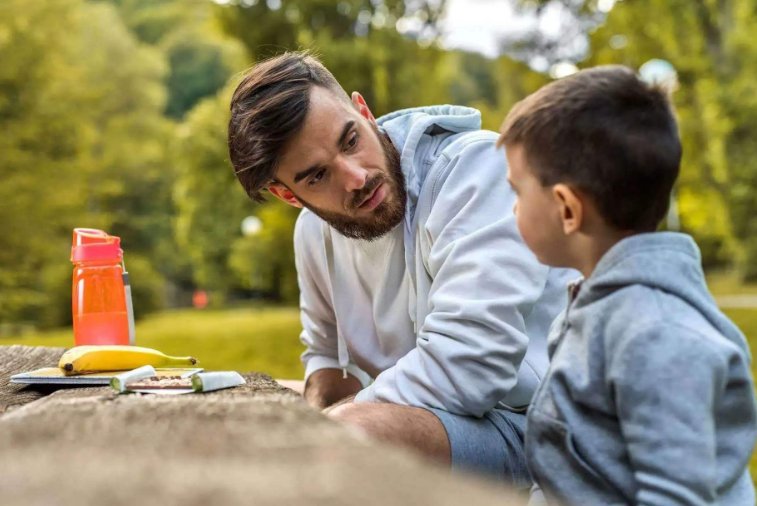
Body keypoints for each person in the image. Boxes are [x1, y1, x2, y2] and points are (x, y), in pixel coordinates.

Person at [227, 51, 573, 485]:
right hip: (446, 422)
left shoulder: (475, 171)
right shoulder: (312, 234)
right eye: (317, 176)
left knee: (348, 437)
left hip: (548, 432)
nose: (355, 178)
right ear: (288, 195)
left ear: (364, 111)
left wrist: (342, 419)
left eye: (350, 140)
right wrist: (324, 402)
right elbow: (325, 360)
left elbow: (473, 365)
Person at [498, 65, 757, 505]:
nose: (512, 211)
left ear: (567, 209)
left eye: (517, 193)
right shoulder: (598, 304)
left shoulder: (656, 334)